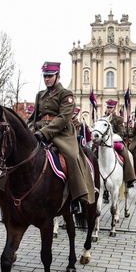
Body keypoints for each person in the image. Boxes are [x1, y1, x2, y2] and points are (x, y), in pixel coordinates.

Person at [27, 61, 95, 214]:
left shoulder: (66, 94)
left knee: (71, 156)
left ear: (58, 76)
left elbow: (63, 118)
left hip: (61, 134)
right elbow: (34, 117)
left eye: (50, 76)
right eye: (45, 76)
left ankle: (77, 197)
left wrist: (44, 132)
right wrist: (27, 128)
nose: (47, 79)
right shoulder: (40, 95)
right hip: (39, 130)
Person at [105, 100, 136, 183]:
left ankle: (129, 177)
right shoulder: (103, 119)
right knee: (93, 152)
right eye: (108, 107)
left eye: (111, 108)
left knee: (126, 155)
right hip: (104, 142)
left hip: (116, 141)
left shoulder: (119, 119)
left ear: (114, 108)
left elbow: (121, 132)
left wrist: (113, 137)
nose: (109, 109)